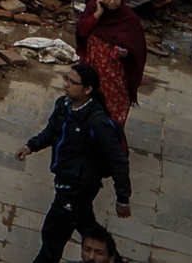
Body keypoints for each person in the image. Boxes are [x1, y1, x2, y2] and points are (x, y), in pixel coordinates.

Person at [17, 62, 132, 263]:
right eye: (66, 79)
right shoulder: (63, 105)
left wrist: (123, 198)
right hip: (65, 183)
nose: (66, 84)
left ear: (88, 89)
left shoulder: (97, 122)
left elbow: (118, 160)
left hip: (78, 188)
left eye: (73, 82)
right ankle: (112, 259)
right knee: (87, 228)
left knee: (53, 237)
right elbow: (51, 131)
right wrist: (31, 146)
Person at [74, 0, 147, 131]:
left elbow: (137, 48)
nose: (112, 2)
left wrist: (126, 52)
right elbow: (81, 32)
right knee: (87, 99)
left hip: (114, 76)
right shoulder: (93, 9)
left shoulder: (129, 19)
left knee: (111, 107)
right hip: (91, 68)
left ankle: (110, 136)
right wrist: (97, 15)